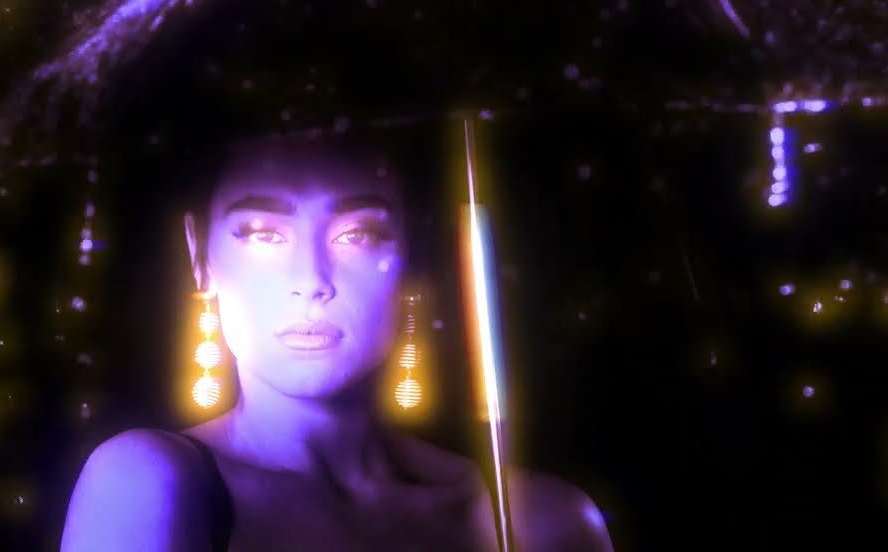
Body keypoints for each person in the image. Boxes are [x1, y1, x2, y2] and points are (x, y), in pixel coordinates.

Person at [60, 130, 613, 551]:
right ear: (200, 255)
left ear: (411, 255)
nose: (311, 280)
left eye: (358, 234)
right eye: (262, 233)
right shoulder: (148, 482)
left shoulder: (541, 521)